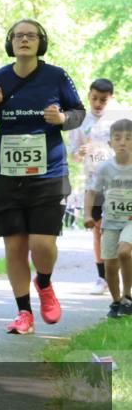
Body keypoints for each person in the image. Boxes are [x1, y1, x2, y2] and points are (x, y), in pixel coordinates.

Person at [0, 19, 85, 335]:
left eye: (31, 36)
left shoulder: (56, 77)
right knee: (15, 247)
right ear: (10, 42)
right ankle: (24, 313)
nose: (24, 40)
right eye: (18, 36)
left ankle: (44, 283)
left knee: (42, 243)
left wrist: (62, 118)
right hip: (4, 174)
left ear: (40, 42)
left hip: (48, 173)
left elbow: (79, 113)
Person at [68, 78, 117, 295]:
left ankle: (120, 275)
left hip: (119, 184)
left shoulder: (120, 120)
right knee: (98, 231)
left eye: (103, 100)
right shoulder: (80, 121)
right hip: (93, 185)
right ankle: (102, 278)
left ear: (111, 99)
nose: (98, 104)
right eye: (95, 98)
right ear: (89, 96)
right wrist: (80, 153)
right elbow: (74, 155)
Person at [84, 119, 132, 318]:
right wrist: (87, 215)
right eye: (117, 138)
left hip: (130, 221)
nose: (123, 142)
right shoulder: (105, 168)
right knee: (110, 266)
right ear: (110, 144)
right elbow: (91, 192)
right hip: (110, 222)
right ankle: (115, 302)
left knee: (124, 252)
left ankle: (127, 296)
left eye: (128, 138)